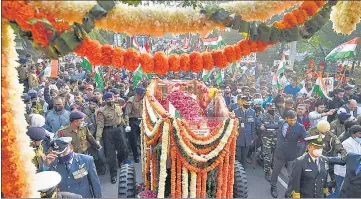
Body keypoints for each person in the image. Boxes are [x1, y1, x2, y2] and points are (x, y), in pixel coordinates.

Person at [270, 110, 307, 198]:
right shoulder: (281, 122)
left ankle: (289, 192)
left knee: (292, 175)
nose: (293, 122)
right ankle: (273, 187)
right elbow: (275, 126)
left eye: (295, 119)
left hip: (292, 155)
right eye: (291, 120)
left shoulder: (300, 127)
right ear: (286, 119)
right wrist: (265, 126)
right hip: (280, 153)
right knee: (275, 171)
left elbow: (306, 138)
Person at [96, 92, 129, 184]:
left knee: (123, 149)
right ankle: (113, 174)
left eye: (111, 99)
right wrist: (98, 139)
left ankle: (121, 161)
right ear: (105, 100)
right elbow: (100, 126)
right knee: (111, 155)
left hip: (119, 130)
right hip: (108, 132)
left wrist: (125, 125)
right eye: (108, 99)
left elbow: (120, 118)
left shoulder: (118, 107)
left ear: (113, 98)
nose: (110, 101)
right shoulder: (102, 111)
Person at [289, 133, 328, 198]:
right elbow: (295, 180)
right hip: (305, 195)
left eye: (320, 148)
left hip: (319, 195)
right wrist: (296, 194)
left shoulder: (324, 160)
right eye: (316, 147)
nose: (318, 150)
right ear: (309, 147)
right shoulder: (300, 161)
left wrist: (324, 189)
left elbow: (324, 177)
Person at [332, 125, 361, 198]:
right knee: (341, 192)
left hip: (352, 172)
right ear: (353, 134)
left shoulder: (358, 142)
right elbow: (353, 159)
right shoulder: (347, 144)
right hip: (342, 172)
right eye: (359, 133)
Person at [259, 102, 281, 182]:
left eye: (274, 108)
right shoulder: (263, 115)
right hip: (266, 138)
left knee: (275, 156)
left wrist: (268, 126)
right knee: (267, 156)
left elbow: (280, 124)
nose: (273, 110)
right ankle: (267, 172)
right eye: (271, 108)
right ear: (267, 108)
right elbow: (260, 125)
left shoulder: (277, 115)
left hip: (276, 138)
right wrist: (262, 126)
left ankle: (273, 168)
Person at [234, 95, 257, 168]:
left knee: (244, 156)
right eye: (246, 103)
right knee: (238, 156)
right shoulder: (236, 111)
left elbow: (253, 125)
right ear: (242, 102)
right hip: (238, 137)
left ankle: (243, 171)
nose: (247, 105)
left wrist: (252, 138)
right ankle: (237, 171)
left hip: (247, 138)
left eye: (248, 104)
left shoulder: (252, 112)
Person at [125, 87, 145, 163]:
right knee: (133, 140)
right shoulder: (131, 101)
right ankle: (136, 155)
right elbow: (127, 114)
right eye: (141, 95)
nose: (142, 96)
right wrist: (127, 124)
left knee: (143, 138)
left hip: (142, 121)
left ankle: (144, 153)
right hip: (133, 122)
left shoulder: (144, 99)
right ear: (137, 94)